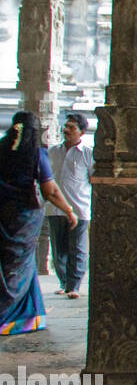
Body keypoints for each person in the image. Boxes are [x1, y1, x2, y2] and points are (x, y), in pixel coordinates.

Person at [0, 113, 77, 335]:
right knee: (21, 265)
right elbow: (50, 190)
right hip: (24, 220)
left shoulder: (1, 149)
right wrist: (68, 210)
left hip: (3, 218)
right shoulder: (36, 154)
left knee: (5, 265)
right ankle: (12, 317)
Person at [45, 112, 92, 299]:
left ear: (81, 132)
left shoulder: (88, 153)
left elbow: (93, 178)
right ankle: (64, 283)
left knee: (78, 249)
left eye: (72, 127)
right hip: (55, 208)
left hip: (79, 207)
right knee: (59, 248)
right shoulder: (53, 151)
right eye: (66, 126)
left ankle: (74, 285)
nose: (66, 130)